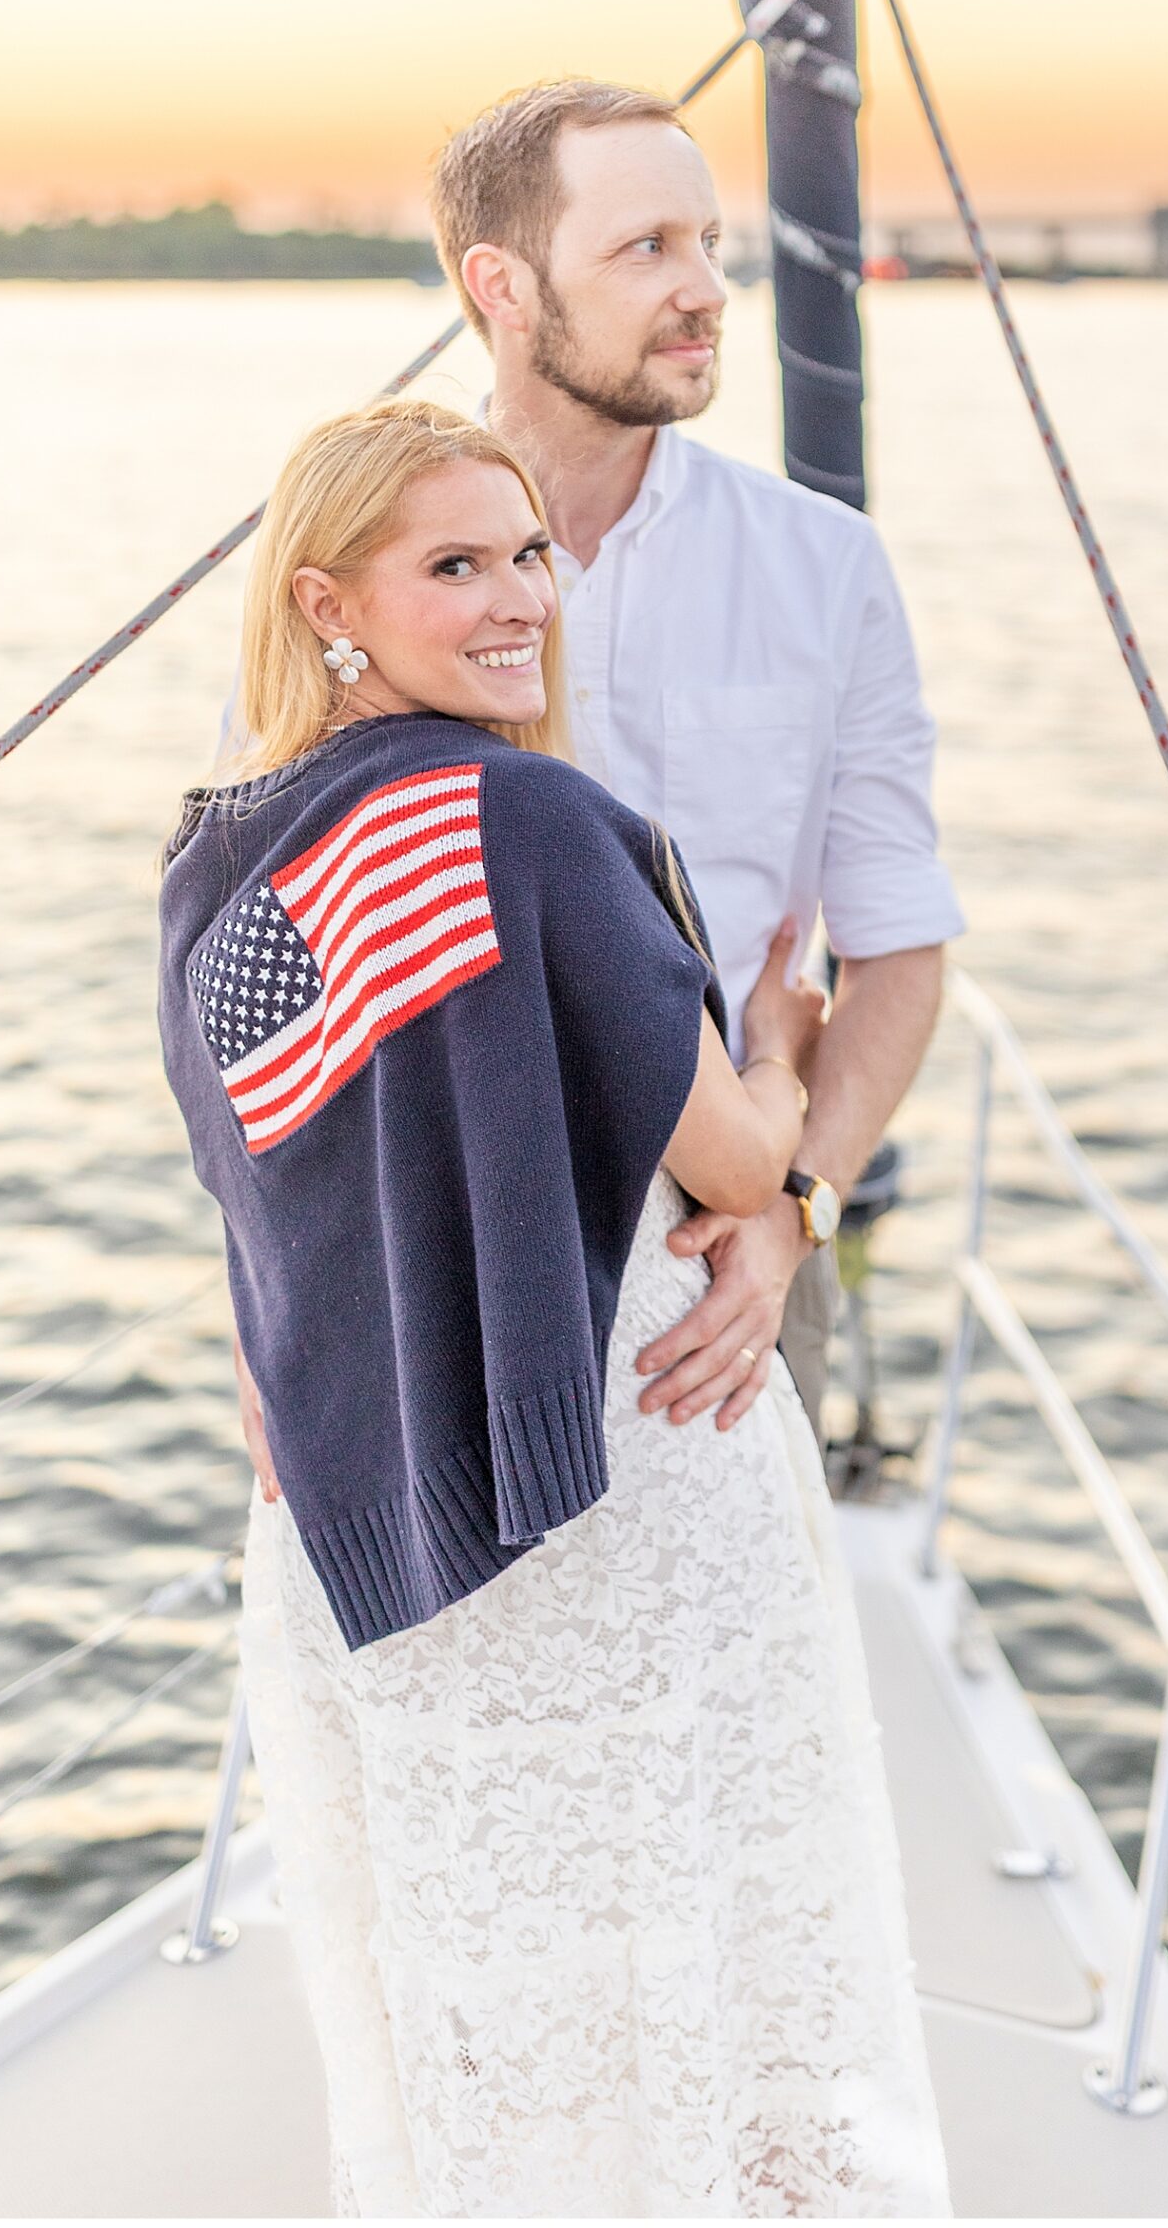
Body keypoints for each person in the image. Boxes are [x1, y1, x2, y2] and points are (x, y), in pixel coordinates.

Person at [162, 396, 951, 2216]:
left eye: (528, 554)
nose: (521, 598)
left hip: (366, 1496)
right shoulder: (523, 816)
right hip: (614, 1456)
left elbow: (262, 1193)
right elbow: (736, 1161)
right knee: (699, 1950)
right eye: (456, 565)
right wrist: (783, 1038)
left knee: (483, 1985)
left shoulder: (224, 859)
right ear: (326, 603)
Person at [426, 79, 967, 1447]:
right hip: (432, 1265)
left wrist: (798, 1210)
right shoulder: (366, 569)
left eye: (712, 243)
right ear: (502, 285)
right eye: (647, 248)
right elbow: (252, 946)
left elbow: (897, 942)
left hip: (730, 1271)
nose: (709, 289)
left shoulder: (823, 566)